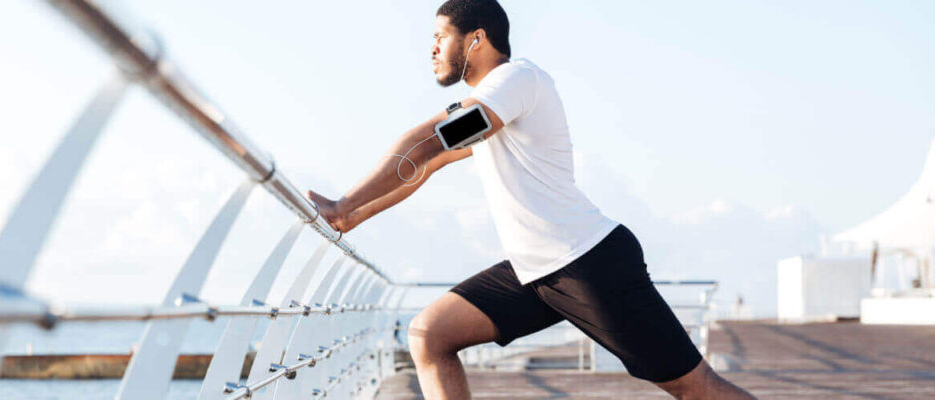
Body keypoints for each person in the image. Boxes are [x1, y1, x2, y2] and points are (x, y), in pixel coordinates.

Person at [307, 1, 757, 398]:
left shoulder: (517, 80)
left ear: (477, 39)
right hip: (534, 271)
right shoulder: (488, 104)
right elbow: (423, 162)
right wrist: (353, 214)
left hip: (588, 264)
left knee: (693, 388)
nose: (431, 48)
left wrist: (345, 204)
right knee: (429, 334)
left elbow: (437, 142)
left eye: (440, 37)